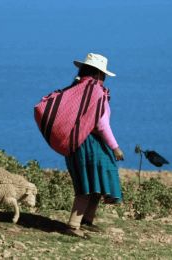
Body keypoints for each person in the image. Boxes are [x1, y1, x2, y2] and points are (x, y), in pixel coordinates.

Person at [64, 53, 124, 238]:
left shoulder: (76, 88)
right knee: (89, 183)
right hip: (90, 145)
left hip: (75, 143)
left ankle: (86, 220)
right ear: (99, 73)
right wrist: (115, 147)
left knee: (93, 180)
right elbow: (101, 124)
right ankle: (74, 225)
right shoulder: (96, 92)